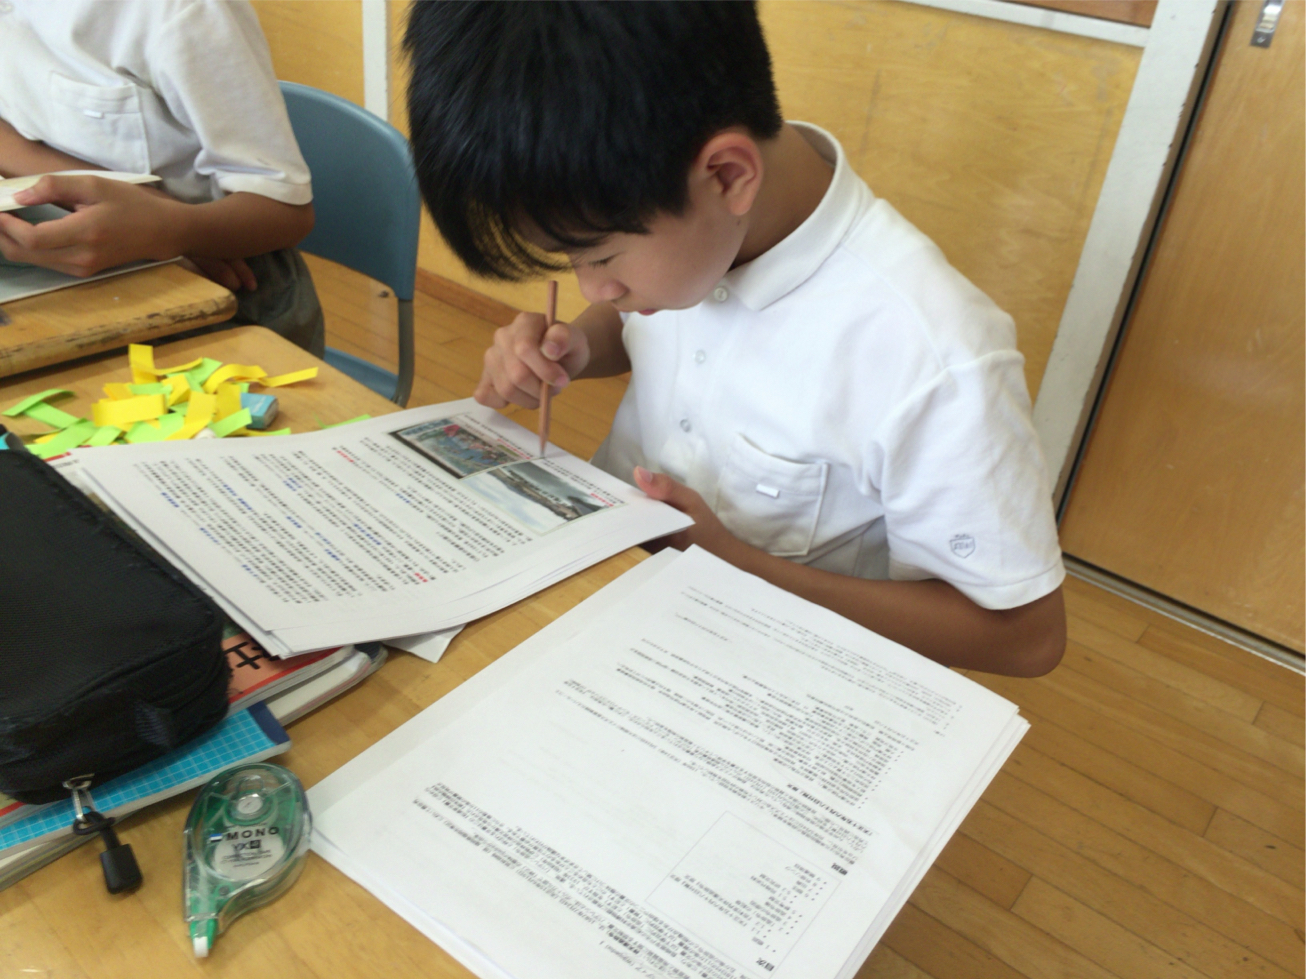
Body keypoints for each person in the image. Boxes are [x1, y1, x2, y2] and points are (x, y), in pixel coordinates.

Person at [404, 1, 1066, 677]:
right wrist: (572, 347)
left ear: (728, 175)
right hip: (609, 601)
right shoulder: (698, 227)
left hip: (766, 674)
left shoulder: (932, 352)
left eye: (598, 256)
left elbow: (1024, 638)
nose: (592, 288)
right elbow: (639, 326)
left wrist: (735, 566)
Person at [0, 0, 325, 356]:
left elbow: (286, 212)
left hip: (217, 288)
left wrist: (174, 231)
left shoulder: (183, 10)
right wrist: (151, 213)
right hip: (70, 272)